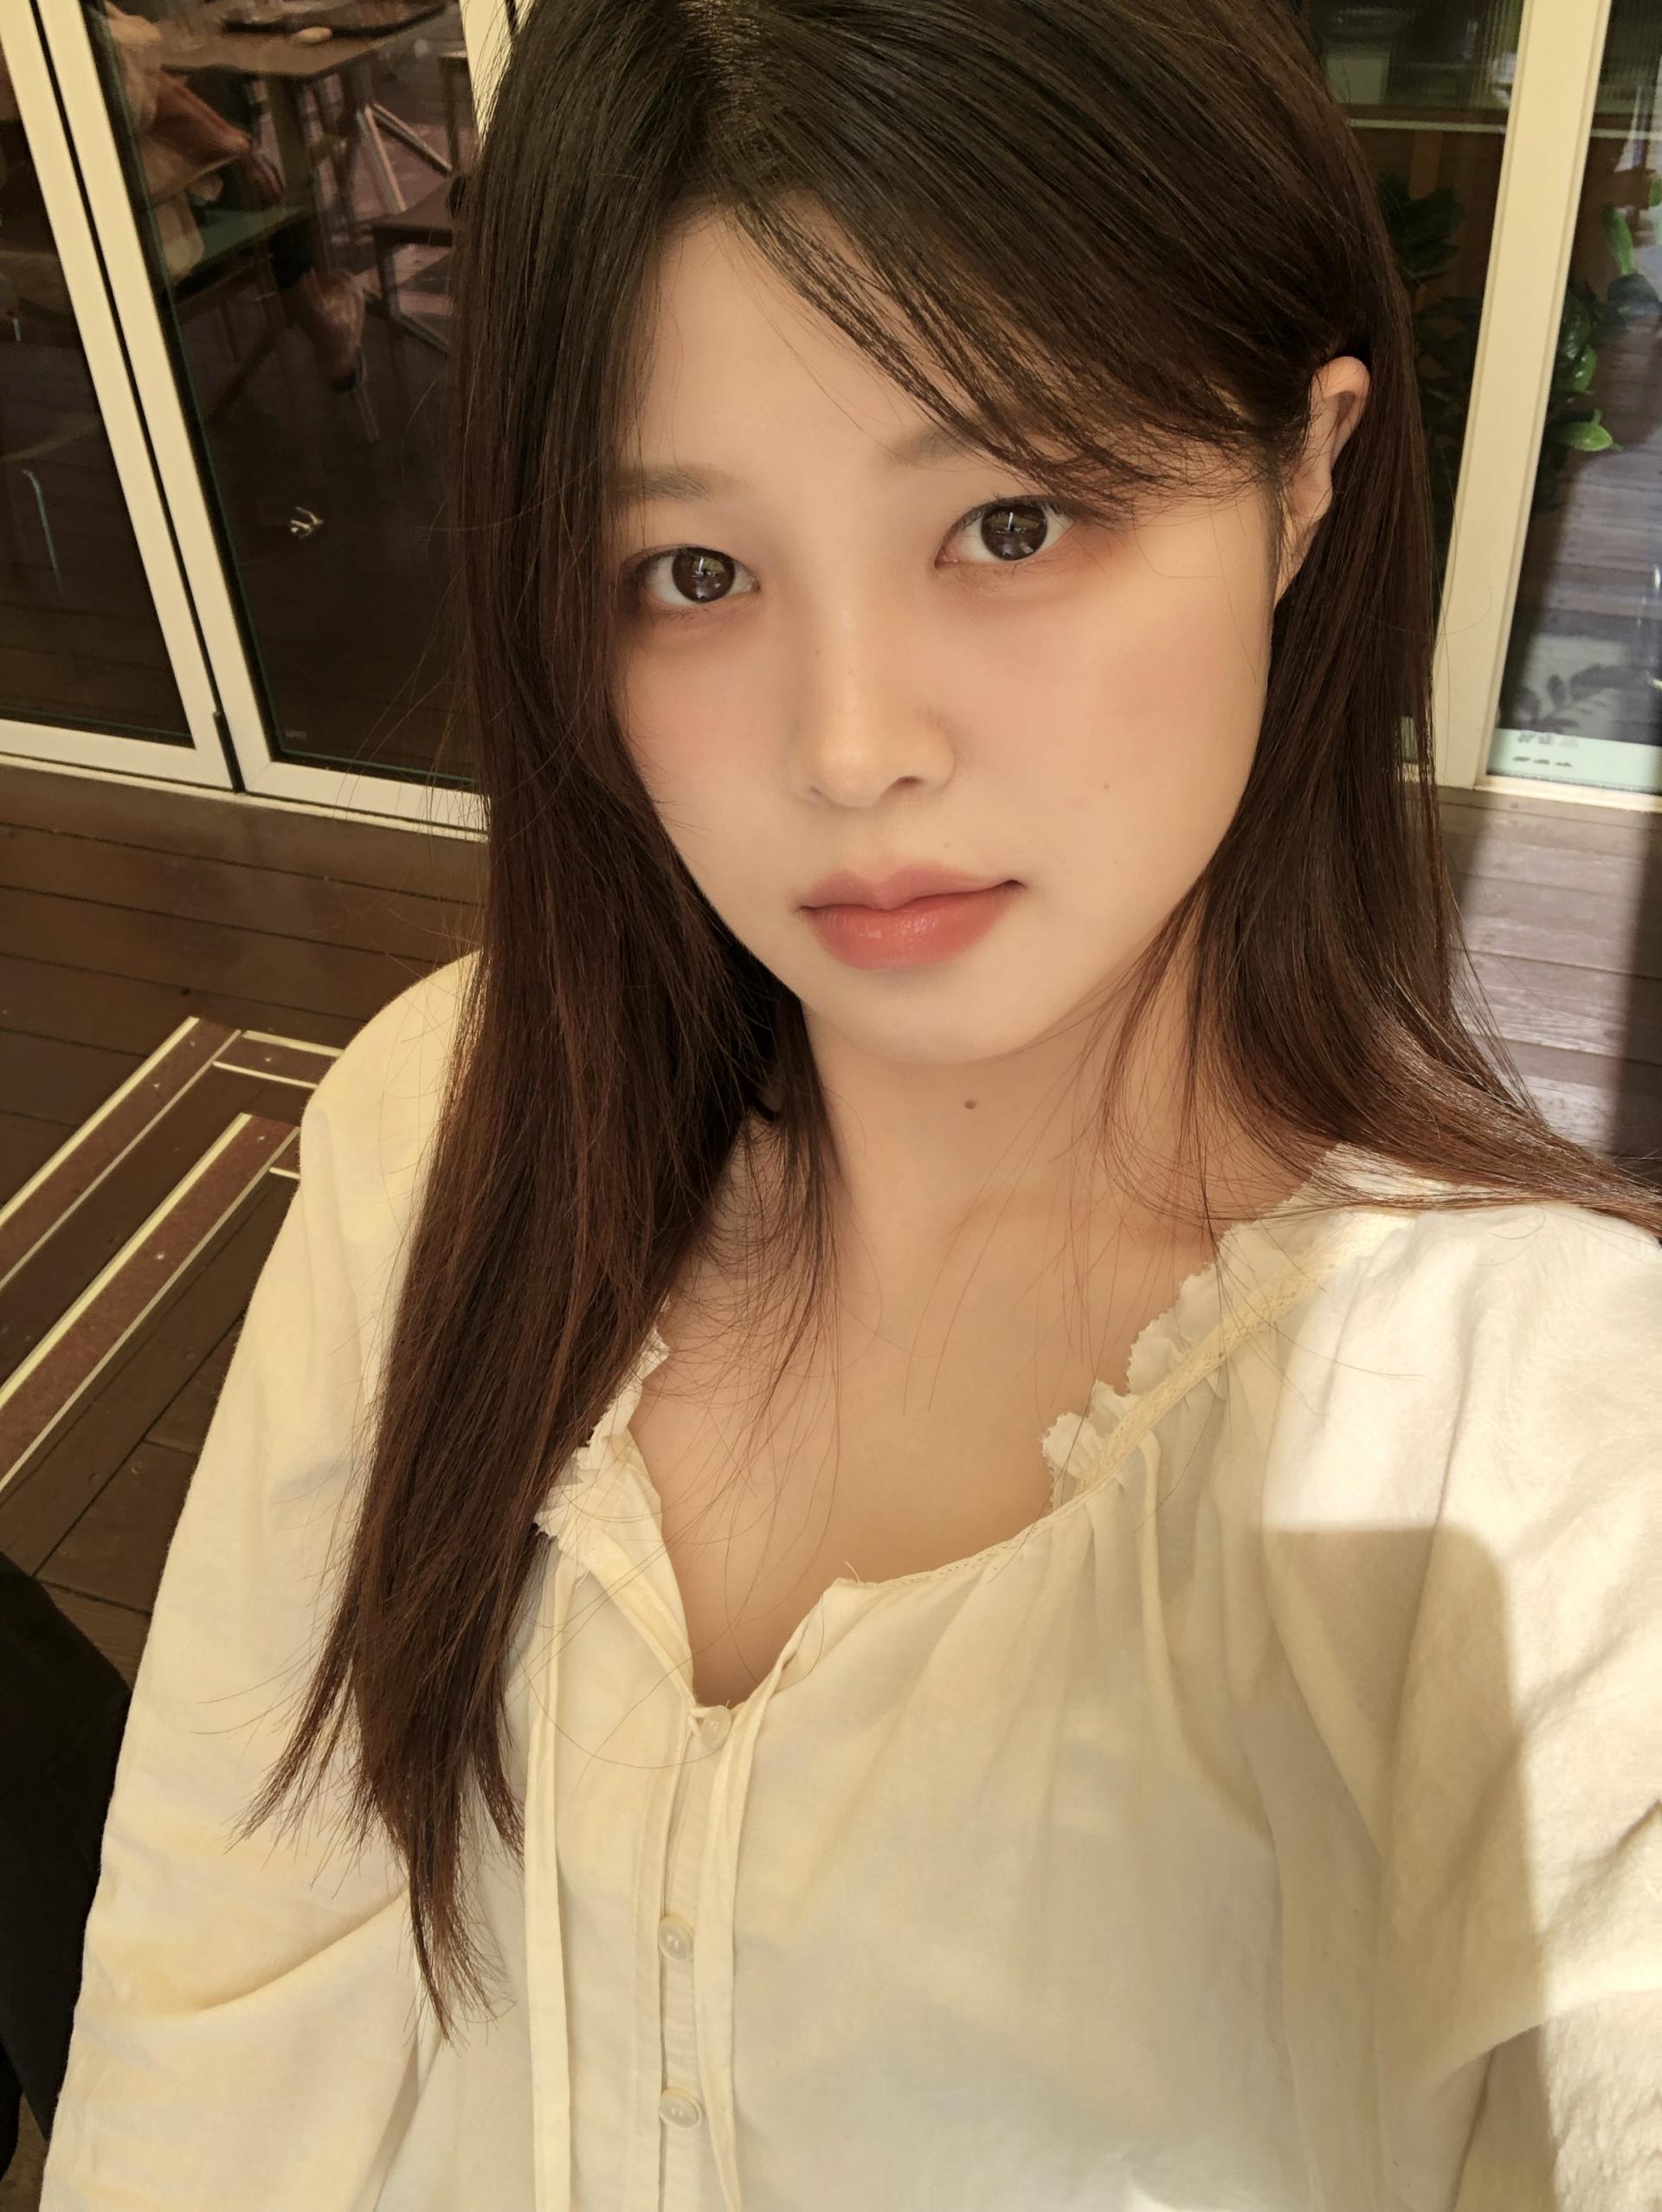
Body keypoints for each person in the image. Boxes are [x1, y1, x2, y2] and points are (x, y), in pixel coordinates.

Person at [35, 0, 1662, 2205]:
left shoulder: (1537, 1445)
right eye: (694, 574)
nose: (851, 746)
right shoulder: (450, 1126)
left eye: (1012, 519)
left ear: (1304, 473)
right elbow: (220, 1984)